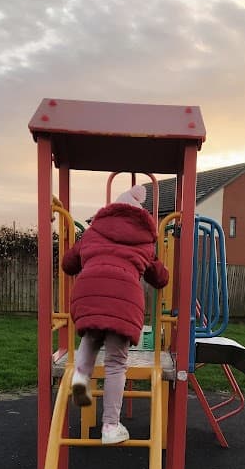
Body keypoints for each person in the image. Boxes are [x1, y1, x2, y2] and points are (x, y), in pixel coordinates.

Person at [61, 184, 169, 445]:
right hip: (124, 300)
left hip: (88, 292)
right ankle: (110, 426)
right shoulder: (145, 240)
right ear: (140, 215)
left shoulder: (92, 232)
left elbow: (68, 264)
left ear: (111, 210)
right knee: (116, 363)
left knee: (90, 337)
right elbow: (160, 278)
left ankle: (80, 378)